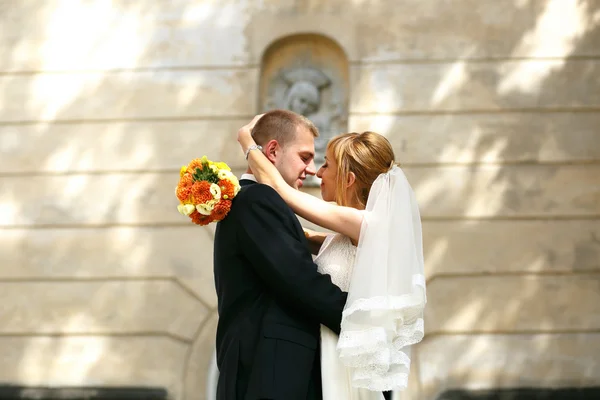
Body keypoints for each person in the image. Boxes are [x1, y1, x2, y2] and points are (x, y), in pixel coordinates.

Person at [237, 114, 427, 399]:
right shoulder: (347, 235)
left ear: (348, 179)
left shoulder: (367, 223)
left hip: (344, 363)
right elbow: (302, 236)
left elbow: (280, 191)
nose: (317, 172)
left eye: (326, 164)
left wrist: (246, 140)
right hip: (329, 352)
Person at [212, 109, 349, 400]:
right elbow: (300, 282)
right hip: (269, 375)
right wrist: (362, 318)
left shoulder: (254, 201)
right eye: (305, 157)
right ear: (273, 150)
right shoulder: (258, 200)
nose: (311, 170)